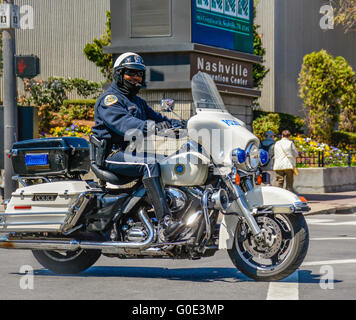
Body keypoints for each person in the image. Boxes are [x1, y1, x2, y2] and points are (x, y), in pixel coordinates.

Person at [91, 52, 182, 240]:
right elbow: (125, 124)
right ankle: (165, 222)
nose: (136, 78)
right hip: (112, 153)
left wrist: (181, 125)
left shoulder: (138, 102)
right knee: (149, 164)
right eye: (131, 73)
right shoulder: (110, 100)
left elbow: (159, 119)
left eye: (140, 74)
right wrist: (152, 127)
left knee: (168, 161)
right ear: (119, 74)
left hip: (131, 152)